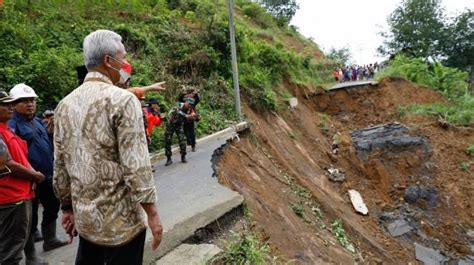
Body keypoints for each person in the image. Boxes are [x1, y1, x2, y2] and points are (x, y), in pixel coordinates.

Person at [53, 29, 163, 264]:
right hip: (121, 225)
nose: (125, 64)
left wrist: (67, 208)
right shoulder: (123, 100)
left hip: (86, 222)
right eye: (122, 58)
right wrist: (152, 214)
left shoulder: (65, 104)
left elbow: (60, 165)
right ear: (108, 61)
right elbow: (136, 165)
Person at [8, 84, 68, 257]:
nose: (29, 104)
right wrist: (30, 174)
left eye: (32, 100)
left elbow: (46, 141)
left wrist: (51, 128)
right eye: (24, 101)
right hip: (29, 177)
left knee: (52, 205)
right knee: (30, 214)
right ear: (14, 104)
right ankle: (32, 246)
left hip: (47, 175)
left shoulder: (36, 122)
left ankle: (50, 238)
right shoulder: (12, 125)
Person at [0, 90, 46, 265]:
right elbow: (6, 164)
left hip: (19, 193)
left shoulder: (6, 129)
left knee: (16, 242)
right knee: (10, 249)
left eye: (11, 103)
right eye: (5, 104)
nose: (10, 107)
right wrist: (35, 175)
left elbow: (18, 158)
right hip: (10, 197)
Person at [164, 98, 198, 166]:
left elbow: (193, 117)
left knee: (182, 140)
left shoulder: (190, 109)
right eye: (189, 104)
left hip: (179, 125)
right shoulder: (179, 104)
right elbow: (178, 112)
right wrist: (187, 116)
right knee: (168, 141)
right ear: (186, 102)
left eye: (191, 105)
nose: (190, 105)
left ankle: (183, 157)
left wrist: (195, 117)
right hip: (170, 124)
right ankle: (169, 158)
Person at [178, 87, 200, 152]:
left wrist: (196, 94)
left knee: (192, 132)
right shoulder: (183, 102)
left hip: (191, 119)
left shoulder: (193, 102)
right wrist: (182, 94)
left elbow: (197, 100)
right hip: (184, 119)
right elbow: (179, 100)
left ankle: (193, 145)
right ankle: (188, 142)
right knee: (185, 132)